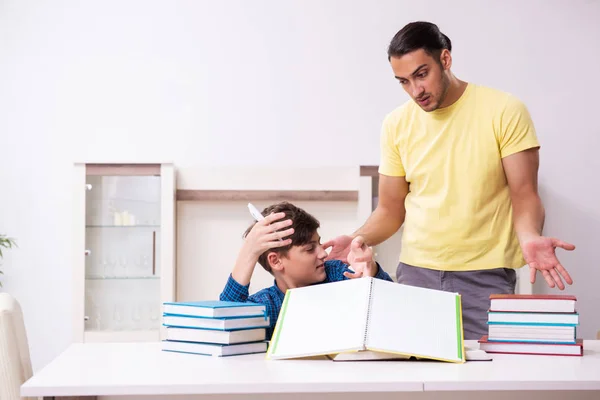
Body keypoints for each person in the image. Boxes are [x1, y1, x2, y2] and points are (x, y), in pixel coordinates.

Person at [323, 21, 575, 340]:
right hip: (416, 275)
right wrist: (358, 238)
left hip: (485, 276)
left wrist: (528, 236)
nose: (416, 91)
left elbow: (524, 194)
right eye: (403, 81)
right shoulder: (396, 124)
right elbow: (390, 210)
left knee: (485, 384)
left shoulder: (505, 111)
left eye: (421, 74)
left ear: (445, 59)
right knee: (418, 383)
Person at [219, 201, 393, 339]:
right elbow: (225, 322)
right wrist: (248, 252)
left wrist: (371, 272)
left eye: (319, 243)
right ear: (276, 260)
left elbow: (388, 304)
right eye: (310, 249)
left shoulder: (335, 274)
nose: (323, 254)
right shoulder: (268, 305)